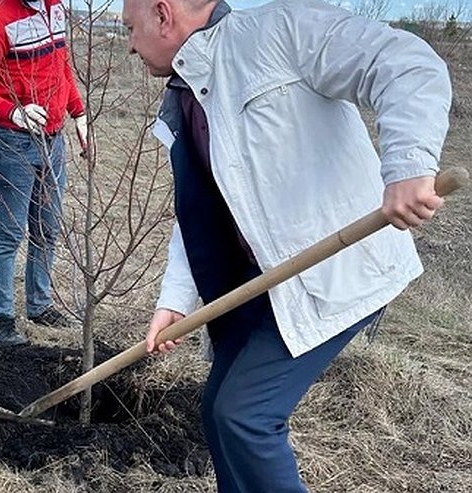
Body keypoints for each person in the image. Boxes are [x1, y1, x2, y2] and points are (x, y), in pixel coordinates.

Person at [122, 0, 451, 491]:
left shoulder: (280, 32)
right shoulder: (185, 93)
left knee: (245, 415)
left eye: (130, 27)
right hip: (253, 285)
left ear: (163, 15)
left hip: (326, 274)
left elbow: (406, 62)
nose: (128, 43)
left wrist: (408, 165)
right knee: (219, 411)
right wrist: (175, 299)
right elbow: (204, 210)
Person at [0, 0, 89, 347]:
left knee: (47, 229)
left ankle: (40, 305)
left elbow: (61, 65)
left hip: (54, 141)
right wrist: (13, 112)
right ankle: (2, 317)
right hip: (12, 143)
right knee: (10, 233)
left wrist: (78, 113)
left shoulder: (56, 8)